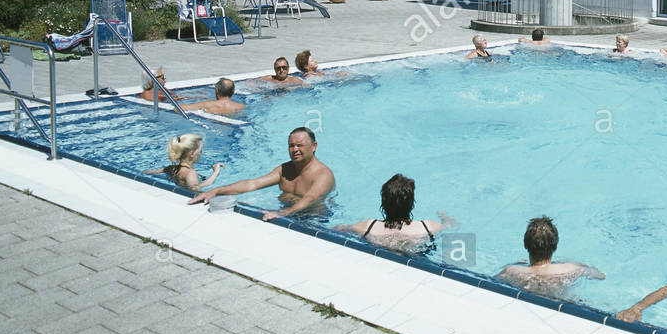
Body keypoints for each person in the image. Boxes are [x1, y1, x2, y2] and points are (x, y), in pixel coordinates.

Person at [189, 126, 335, 221]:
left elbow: (309, 199)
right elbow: (252, 184)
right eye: (291, 146)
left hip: (314, 220)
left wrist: (282, 213)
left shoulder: (323, 175)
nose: (295, 149)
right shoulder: (285, 169)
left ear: (314, 146)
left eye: (300, 145)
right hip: (287, 214)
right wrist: (216, 191)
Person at [337, 174, 449, 251]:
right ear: (411, 203)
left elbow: (339, 229)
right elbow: (449, 226)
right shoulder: (428, 228)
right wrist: (444, 217)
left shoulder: (368, 227)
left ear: (383, 202)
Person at [496, 217, 605, 293]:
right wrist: (580, 265)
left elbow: (493, 283)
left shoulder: (512, 271)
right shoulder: (570, 269)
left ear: (525, 244)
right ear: (555, 246)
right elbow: (600, 276)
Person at [145, 133, 223, 192]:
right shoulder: (190, 173)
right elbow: (195, 188)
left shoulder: (171, 168)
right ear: (192, 153)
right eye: (200, 151)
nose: (201, 153)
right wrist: (215, 173)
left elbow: (150, 172)